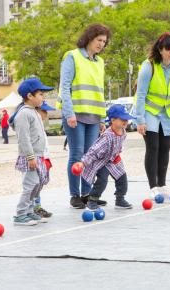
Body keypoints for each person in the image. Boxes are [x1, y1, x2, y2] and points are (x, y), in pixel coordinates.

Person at [56, 24, 112, 209]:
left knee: (90, 157)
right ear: (89, 38)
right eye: (99, 40)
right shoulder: (72, 56)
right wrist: (69, 113)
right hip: (75, 116)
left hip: (94, 117)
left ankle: (87, 194)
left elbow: (100, 92)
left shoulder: (100, 62)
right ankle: (74, 195)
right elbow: (64, 87)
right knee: (77, 155)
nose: (101, 44)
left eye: (104, 42)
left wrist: (103, 118)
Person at [135, 31, 170, 198]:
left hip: (168, 113)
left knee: (165, 148)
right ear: (160, 50)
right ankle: (153, 186)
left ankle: (162, 183)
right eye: (168, 49)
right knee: (153, 147)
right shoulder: (148, 65)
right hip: (150, 112)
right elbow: (140, 94)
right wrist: (140, 120)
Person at [9, 78, 53, 226]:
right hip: (30, 156)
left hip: (38, 156)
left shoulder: (33, 112)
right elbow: (24, 137)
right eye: (40, 94)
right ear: (29, 96)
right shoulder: (23, 114)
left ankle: (29, 210)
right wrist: (30, 156)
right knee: (30, 184)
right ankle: (20, 214)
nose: (43, 97)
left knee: (37, 184)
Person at [73, 104, 134, 210]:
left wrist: (117, 154)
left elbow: (118, 146)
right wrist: (82, 162)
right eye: (122, 119)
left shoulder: (123, 132)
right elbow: (94, 150)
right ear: (113, 120)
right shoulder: (107, 137)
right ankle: (92, 200)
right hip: (102, 161)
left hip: (113, 160)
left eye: (126, 119)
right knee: (102, 180)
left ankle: (120, 199)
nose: (125, 121)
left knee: (122, 177)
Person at [33, 101, 55, 218]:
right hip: (37, 158)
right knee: (34, 184)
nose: (46, 114)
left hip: (44, 158)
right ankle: (31, 208)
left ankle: (37, 206)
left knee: (40, 185)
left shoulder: (41, 125)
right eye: (44, 111)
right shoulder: (34, 126)